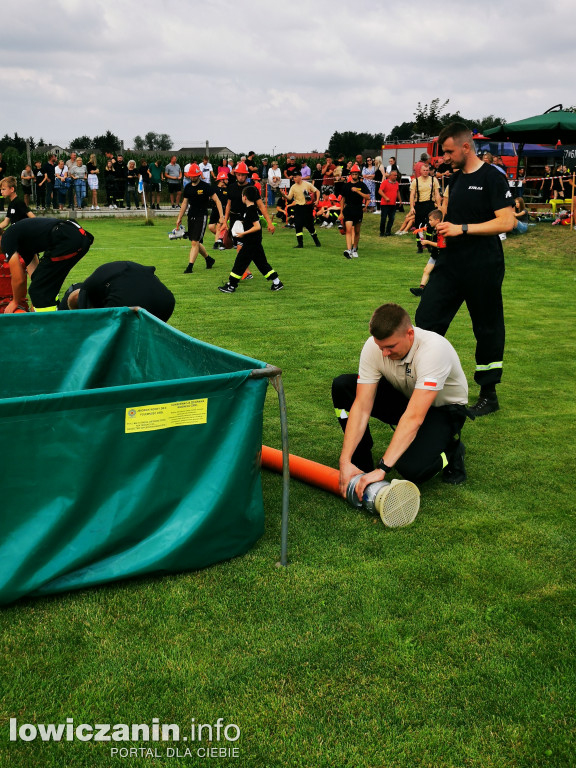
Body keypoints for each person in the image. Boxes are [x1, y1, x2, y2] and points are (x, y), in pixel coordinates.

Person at [414, 122, 515, 417]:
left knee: (486, 327)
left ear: (465, 147)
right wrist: (437, 219)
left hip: (483, 265)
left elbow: (506, 222)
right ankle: (425, 385)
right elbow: (451, 214)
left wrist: (463, 228)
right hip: (450, 264)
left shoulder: (493, 177)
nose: (445, 157)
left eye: (448, 151)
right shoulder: (455, 179)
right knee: (426, 319)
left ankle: (489, 393)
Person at [333, 302, 469, 501]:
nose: (385, 353)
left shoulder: (433, 350)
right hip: (407, 397)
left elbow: (414, 417)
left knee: (412, 469)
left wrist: (382, 469)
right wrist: (344, 461)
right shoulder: (374, 347)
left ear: (410, 334)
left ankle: (451, 450)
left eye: (390, 346)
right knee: (343, 385)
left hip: (444, 410)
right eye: (381, 347)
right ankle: (360, 462)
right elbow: (362, 406)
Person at [1, 218, 94, 312]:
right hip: (74, 235)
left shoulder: (6, 239)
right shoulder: (20, 239)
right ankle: (57, 311)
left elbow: (18, 278)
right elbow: (35, 274)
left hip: (66, 239)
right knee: (43, 287)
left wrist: (15, 302)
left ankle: (48, 323)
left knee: (39, 291)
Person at [58, 261, 175, 322]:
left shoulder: (88, 292)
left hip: (135, 304)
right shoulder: (101, 278)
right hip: (166, 302)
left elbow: (89, 320)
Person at [218, 186, 283, 294]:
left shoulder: (251, 210)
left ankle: (231, 285)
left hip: (251, 242)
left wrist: (243, 233)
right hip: (254, 241)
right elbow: (251, 223)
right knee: (262, 263)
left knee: (240, 262)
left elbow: (257, 226)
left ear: (245, 197)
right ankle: (277, 282)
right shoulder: (249, 210)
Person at [175, 163, 224, 274]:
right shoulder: (187, 187)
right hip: (191, 215)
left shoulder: (205, 187)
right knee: (194, 241)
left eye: (195, 175)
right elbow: (184, 203)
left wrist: (221, 216)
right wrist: (179, 217)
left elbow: (217, 201)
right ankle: (208, 259)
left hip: (201, 216)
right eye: (191, 176)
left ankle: (190, 267)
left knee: (195, 242)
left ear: (199, 175)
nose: (192, 177)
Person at [410, 209, 444, 296]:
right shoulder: (433, 228)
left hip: (442, 255)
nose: (429, 222)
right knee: (426, 270)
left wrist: (427, 242)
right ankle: (421, 289)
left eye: (431, 220)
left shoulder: (442, 230)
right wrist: (420, 230)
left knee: (439, 274)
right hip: (435, 254)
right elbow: (426, 228)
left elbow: (440, 245)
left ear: (437, 221)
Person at [340, 164, 370, 258]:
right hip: (348, 209)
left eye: (356, 174)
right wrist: (341, 212)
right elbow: (342, 199)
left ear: (358, 174)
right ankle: (348, 250)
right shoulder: (346, 186)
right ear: (350, 175)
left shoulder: (362, 185)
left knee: (357, 231)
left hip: (358, 209)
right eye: (352, 174)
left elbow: (368, 197)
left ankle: (354, 248)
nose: (354, 176)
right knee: (348, 230)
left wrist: (357, 191)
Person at [409, 163, 441, 249]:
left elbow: (437, 194)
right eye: (424, 170)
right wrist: (412, 207)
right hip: (419, 205)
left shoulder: (433, 180)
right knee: (419, 225)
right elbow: (412, 195)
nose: (426, 172)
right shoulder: (416, 181)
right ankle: (419, 245)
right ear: (420, 171)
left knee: (430, 225)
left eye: (427, 170)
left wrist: (439, 206)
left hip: (430, 204)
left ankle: (429, 244)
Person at [286, 169, 321, 248]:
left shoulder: (307, 184)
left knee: (309, 226)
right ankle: (300, 244)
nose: (294, 178)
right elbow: (289, 198)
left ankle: (316, 241)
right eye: (293, 177)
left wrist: (317, 200)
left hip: (307, 207)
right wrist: (284, 195)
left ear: (300, 177)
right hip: (298, 207)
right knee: (298, 225)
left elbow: (317, 191)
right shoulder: (293, 187)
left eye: (295, 177)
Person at [378, 170, 400, 236]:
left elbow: (397, 191)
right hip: (385, 204)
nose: (396, 176)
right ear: (390, 176)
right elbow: (380, 191)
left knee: (391, 219)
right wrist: (385, 197)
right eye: (394, 175)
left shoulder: (396, 183)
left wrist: (400, 200)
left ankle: (388, 232)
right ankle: (382, 232)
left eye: (396, 175)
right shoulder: (385, 182)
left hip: (393, 204)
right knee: (383, 218)